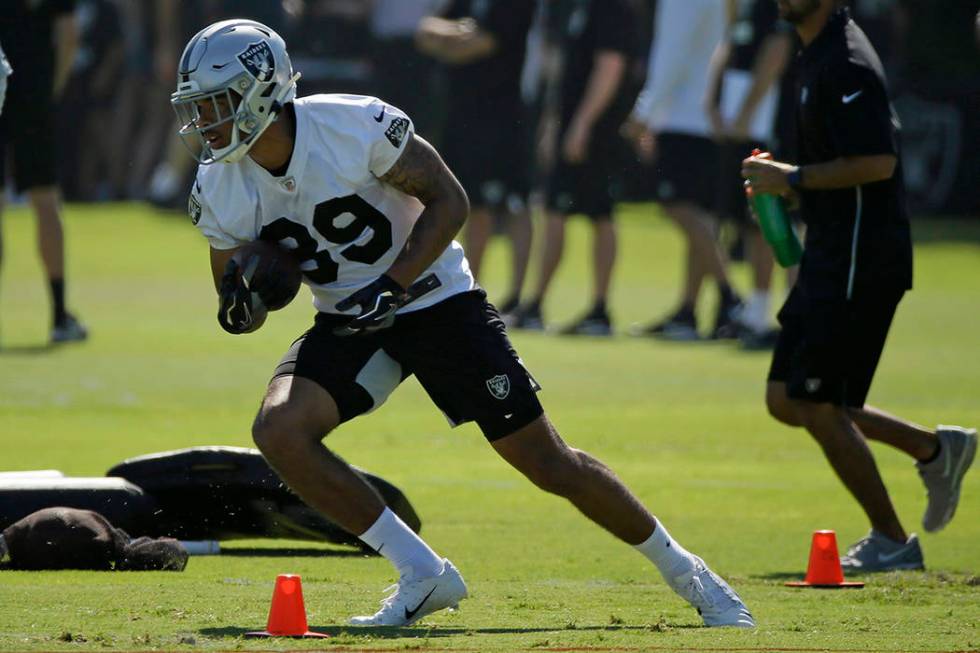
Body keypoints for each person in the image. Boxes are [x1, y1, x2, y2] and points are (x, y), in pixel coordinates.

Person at [174, 19, 754, 628]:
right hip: (348, 316)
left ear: (263, 91)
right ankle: (423, 573)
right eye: (197, 108)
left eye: (216, 104)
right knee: (281, 429)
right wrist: (244, 304)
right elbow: (236, 292)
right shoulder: (220, 184)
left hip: (434, 297)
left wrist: (392, 283)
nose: (205, 122)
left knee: (547, 461)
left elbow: (449, 199)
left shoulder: (349, 125)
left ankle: (689, 572)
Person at [742, 0, 976, 573]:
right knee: (789, 398)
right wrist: (786, 189)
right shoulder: (815, 54)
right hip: (831, 250)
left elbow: (878, 162)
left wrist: (793, 177)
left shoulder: (847, 61)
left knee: (819, 402)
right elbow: (841, 167)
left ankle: (892, 541)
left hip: (859, 257)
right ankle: (935, 450)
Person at [511, 0, 634, 336]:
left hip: (598, 132)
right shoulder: (574, 8)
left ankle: (598, 310)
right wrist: (554, 125)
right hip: (574, 128)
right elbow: (567, 72)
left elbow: (610, 66)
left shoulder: (613, 9)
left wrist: (582, 125)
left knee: (600, 215)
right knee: (554, 211)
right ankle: (536, 304)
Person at [624, 0, 741, 341]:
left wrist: (644, 113)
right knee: (698, 214)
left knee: (678, 207)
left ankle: (730, 296)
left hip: (684, 117)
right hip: (706, 116)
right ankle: (688, 311)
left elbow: (671, 54)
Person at [415, 0, 535, 314]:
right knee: (471, 201)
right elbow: (424, 30)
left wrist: (449, 42)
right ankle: (469, 291)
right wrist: (458, 31)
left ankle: (517, 298)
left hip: (503, 118)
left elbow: (480, 45)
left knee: (509, 204)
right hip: (461, 117)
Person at [704, 0, 795, 348]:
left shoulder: (777, 8)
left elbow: (777, 51)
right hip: (741, 125)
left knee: (778, 220)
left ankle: (793, 313)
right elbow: (729, 42)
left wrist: (745, 112)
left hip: (768, 126)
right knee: (752, 219)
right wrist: (712, 100)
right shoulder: (744, 6)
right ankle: (757, 313)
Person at [0, 0, 87, 343]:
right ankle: (59, 314)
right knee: (45, 199)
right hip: (34, 88)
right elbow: (68, 36)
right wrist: (51, 91)